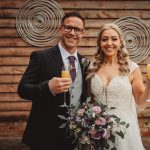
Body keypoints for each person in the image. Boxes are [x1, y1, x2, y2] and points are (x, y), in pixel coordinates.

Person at [17, 11, 89, 150]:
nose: (72, 33)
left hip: (76, 136)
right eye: (68, 28)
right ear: (61, 29)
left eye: (77, 30)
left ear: (82, 33)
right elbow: (22, 89)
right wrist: (47, 87)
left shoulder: (85, 62)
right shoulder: (41, 57)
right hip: (45, 135)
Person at [87, 23, 150, 150]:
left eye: (114, 39)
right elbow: (89, 101)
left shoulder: (131, 69)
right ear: (99, 43)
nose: (109, 43)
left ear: (121, 42)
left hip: (124, 131)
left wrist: (149, 84)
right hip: (98, 131)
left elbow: (141, 102)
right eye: (104, 39)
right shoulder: (92, 68)